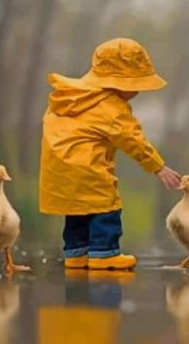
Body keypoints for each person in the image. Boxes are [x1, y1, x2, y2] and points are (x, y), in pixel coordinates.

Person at [39, 38, 181, 270]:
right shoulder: (110, 106)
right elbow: (133, 139)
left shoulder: (67, 95)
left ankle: (75, 253)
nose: (137, 92)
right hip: (89, 169)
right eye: (136, 85)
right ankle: (105, 254)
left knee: (76, 210)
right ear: (119, 83)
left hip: (58, 170)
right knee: (106, 207)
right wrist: (158, 166)